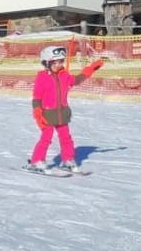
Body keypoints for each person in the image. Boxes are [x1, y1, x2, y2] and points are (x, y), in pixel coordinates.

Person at [29, 44, 104, 173]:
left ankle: (67, 160)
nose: (58, 65)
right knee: (46, 139)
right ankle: (37, 161)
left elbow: (77, 80)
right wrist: (38, 113)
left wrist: (90, 69)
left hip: (62, 114)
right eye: (55, 62)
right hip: (47, 115)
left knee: (66, 138)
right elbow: (37, 97)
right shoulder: (42, 77)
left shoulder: (64, 75)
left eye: (60, 62)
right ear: (46, 63)